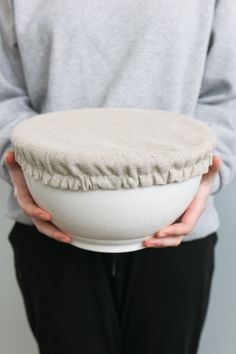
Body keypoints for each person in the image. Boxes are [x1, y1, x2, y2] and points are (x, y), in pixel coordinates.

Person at [0, 1, 235, 354]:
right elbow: (5, 92)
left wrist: (210, 174)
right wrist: (15, 164)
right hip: (54, 221)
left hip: (175, 223)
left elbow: (225, 94)